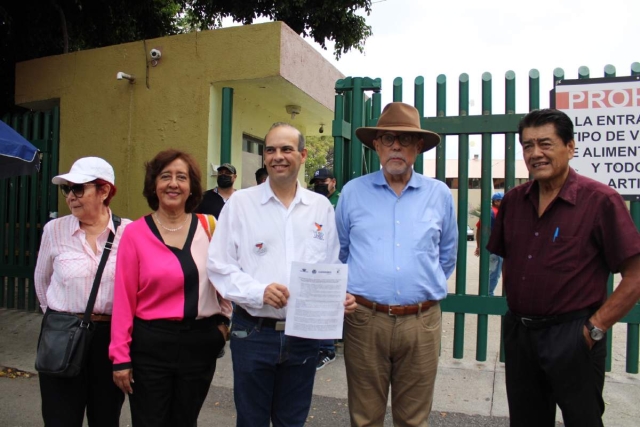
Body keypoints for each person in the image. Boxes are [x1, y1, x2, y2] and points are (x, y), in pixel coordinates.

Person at [487, 109, 640, 427]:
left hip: (574, 336)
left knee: (582, 420)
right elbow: (508, 262)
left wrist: (594, 328)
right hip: (520, 335)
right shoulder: (513, 202)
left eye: (545, 143)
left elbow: (635, 275)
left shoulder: (600, 201)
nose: (535, 153)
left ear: (570, 147)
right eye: (527, 146)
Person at [207, 122, 357, 427]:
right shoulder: (240, 204)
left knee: (292, 420)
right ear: (264, 157)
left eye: (286, 149)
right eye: (271, 150)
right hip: (253, 332)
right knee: (251, 420)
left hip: (303, 335)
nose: (278, 156)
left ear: (302, 155)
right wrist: (257, 291)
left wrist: (338, 297)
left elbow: (329, 267)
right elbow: (219, 265)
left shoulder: (320, 208)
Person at [336, 102, 458, 426]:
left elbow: (447, 255)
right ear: (376, 145)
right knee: (365, 417)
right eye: (388, 139)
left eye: (405, 140)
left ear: (418, 147)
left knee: (414, 419)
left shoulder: (440, 195)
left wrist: (418, 288)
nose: (395, 147)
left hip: (422, 321)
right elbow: (340, 252)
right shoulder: (352, 193)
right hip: (364, 320)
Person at [110, 149, 232, 427]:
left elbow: (226, 279)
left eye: (181, 177)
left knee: (185, 421)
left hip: (199, 345)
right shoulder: (135, 233)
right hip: (151, 345)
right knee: (149, 421)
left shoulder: (209, 227)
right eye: (165, 176)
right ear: (154, 185)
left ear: (192, 187)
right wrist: (120, 357)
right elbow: (123, 299)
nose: (173, 183)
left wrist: (224, 322)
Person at [34, 157, 131, 427]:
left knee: (105, 417)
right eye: (67, 189)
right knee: (60, 418)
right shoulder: (54, 230)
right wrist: (62, 320)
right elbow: (42, 282)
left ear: (104, 191)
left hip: (110, 340)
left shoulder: (130, 232)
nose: (71, 197)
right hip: (63, 335)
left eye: (78, 189)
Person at [310, 167, 340, 370]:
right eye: (317, 182)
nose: (320, 185)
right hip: (315, 258)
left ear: (333, 182)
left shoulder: (342, 199)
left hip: (336, 259)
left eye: (324, 181)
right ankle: (317, 346)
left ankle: (328, 349)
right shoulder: (313, 202)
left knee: (329, 302)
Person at [474, 191, 504, 296]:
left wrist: (479, 246)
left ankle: (487, 292)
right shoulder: (498, 213)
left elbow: (479, 229)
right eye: (499, 200)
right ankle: (488, 294)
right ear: (495, 201)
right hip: (497, 248)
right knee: (494, 274)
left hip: (490, 248)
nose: (502, 202)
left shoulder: (488, 212)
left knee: (492, 272)